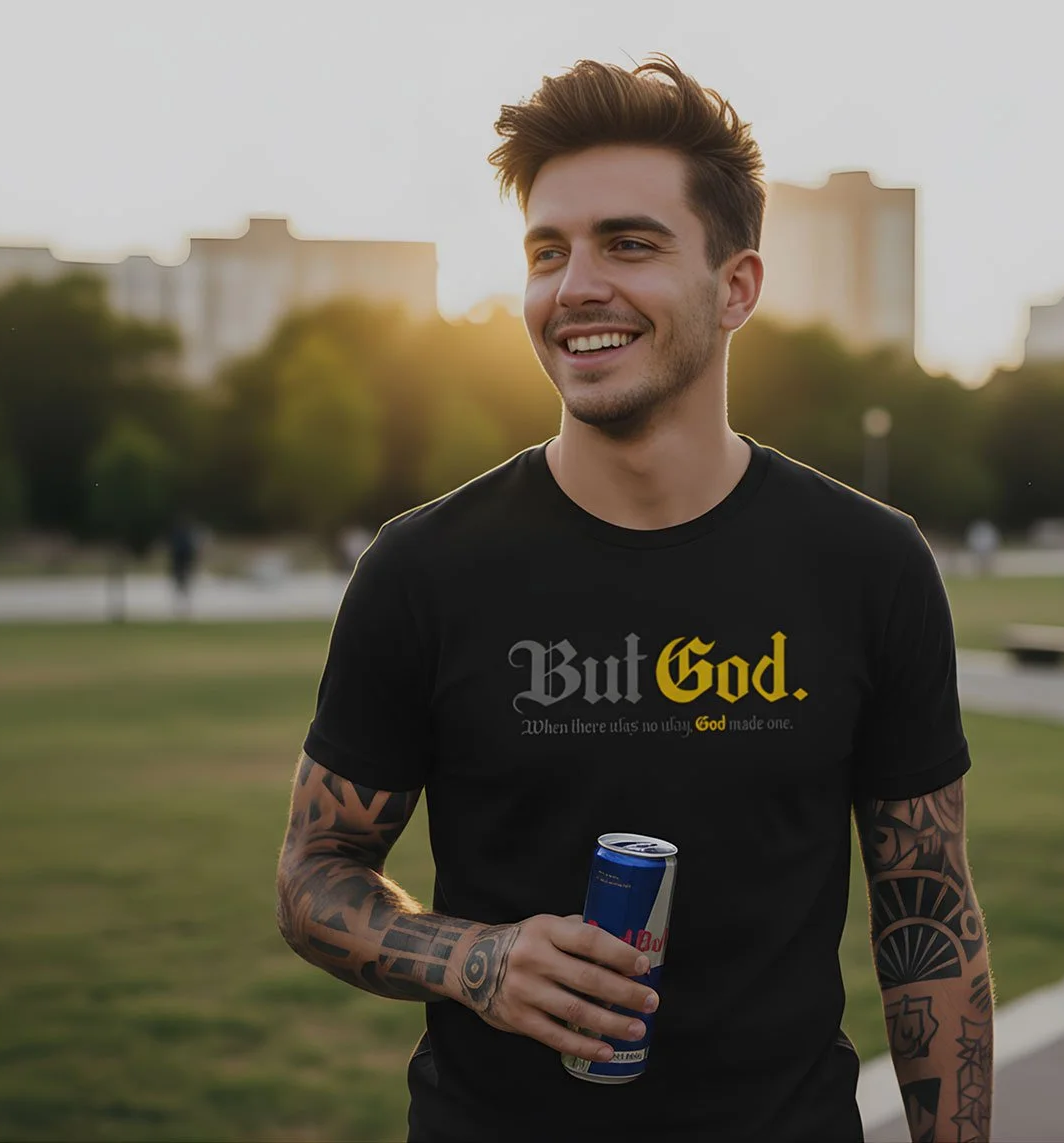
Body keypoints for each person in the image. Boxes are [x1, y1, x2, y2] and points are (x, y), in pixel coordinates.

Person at [276, 56, 993, 1143]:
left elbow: (926, 916)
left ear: (737, 286)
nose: (575, 287)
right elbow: (314, 877)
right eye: (546, 251)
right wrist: (478, 961)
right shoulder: (422, 568)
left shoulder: (867, 564)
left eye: (629, 243)